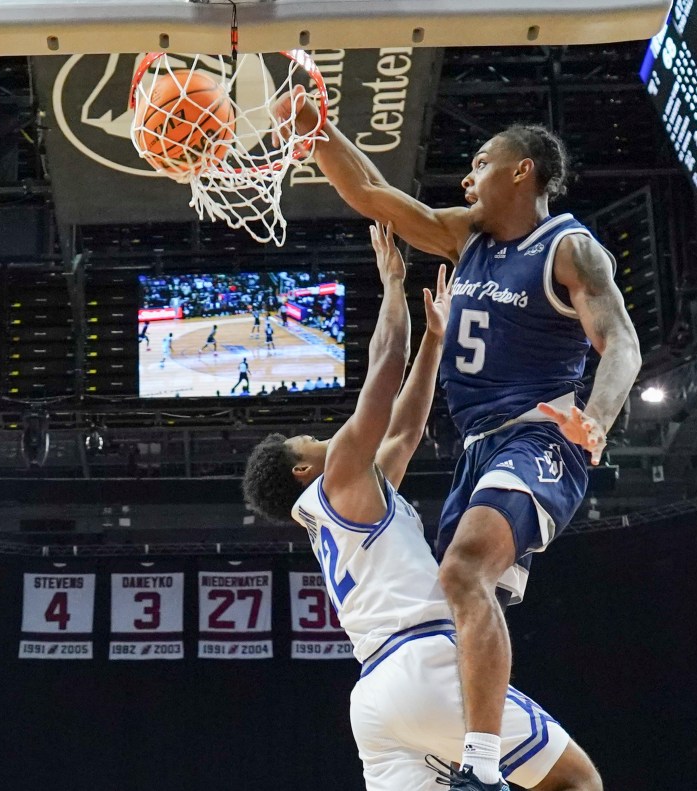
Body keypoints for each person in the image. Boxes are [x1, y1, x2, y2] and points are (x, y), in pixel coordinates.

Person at [274, 91, 640, 790]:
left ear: (521, 171)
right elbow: (374, 194)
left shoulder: (568, 248)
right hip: (477, 451)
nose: (466, 177)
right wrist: (314, 127)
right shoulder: (462, 237)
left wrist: (596, 414)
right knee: (466, 613)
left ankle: (479, 765)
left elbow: (619, 340)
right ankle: (468, 763)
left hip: (538, 435)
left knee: (461, 570)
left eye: (480, 162)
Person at [243, 223, 601, 791]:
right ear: (302, 469)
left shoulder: (343, 507)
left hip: (377, 700)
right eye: (306, 439)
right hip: (425, 665)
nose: (318, 435)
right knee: (578, 782)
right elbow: (384, 368)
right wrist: (391, 284)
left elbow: (405, 430)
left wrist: (435, 341)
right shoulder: (339, 477)